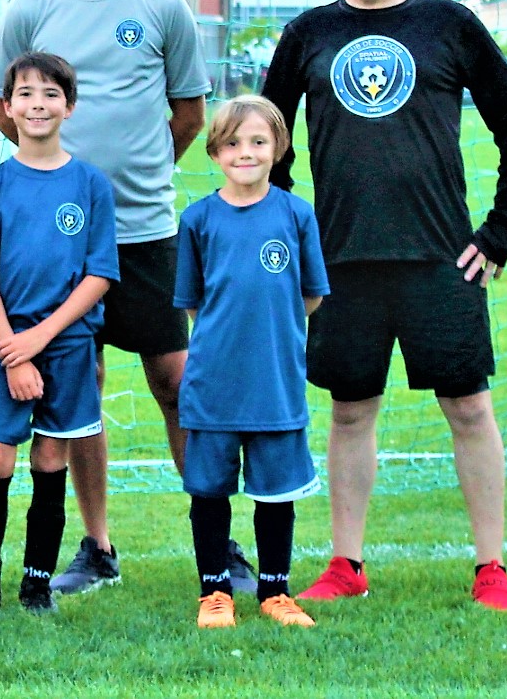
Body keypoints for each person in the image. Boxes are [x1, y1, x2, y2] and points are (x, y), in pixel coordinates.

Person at [262, 0, 507, 611]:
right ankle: (345, 564)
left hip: (442, 258)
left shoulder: (448, 23)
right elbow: (267, 133)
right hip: (341, 261)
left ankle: (491, 568)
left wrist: (500, 230)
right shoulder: (308, 34)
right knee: (350, 411)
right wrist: (289, 229)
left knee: (469, 408)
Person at [0, 0, 224, 596]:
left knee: (175, 380)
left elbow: (189, 114)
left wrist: (139, 174)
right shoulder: (29, 9)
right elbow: (6, 110)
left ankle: (216, 543)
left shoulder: (162, 5)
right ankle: (97, 546)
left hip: (145, 230)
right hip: (55, 243)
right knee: (77, 386)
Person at [0, 52, 120, 614]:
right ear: (8, 107)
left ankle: (36, 585)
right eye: (25, 93)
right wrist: (15, 352)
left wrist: (39, 340)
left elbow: (99, 275)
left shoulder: (91, 185)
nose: (37, 104)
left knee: (51, 459)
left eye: (51, 94)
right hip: (7, 346)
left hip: (67, 346)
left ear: (69, 107)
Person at [174, 96, 329, 629]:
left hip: (275, 382)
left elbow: (310, 295)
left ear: (278, 148)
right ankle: (214, 592)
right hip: (214, 384)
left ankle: (275, 592)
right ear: (215, 152)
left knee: (277, 492)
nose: (246, 152)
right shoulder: (197, 219)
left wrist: (270, 330)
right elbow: (194, 303)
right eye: (233, 143)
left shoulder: (296, 214)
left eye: (258, 142)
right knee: (209, 491)